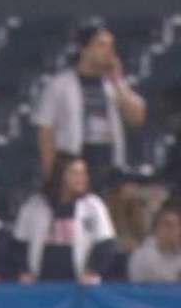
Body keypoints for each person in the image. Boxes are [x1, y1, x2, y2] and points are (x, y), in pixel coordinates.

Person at [33, 22, 146, 193]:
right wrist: (52, 173)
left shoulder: (115, 85)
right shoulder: (59, 85)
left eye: (111, 46)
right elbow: (45, 131)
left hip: (108, 159)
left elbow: (137, 117)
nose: (109, 52)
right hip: (77, 157)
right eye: (101, 45)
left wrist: (118, 82)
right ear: (84, 49)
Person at [14, 153, 115, 284]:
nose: (81, 178)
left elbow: (106, 243)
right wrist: (25, 271)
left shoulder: (93, 206)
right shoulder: (34, 205)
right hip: (40, 284)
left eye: (83, 173)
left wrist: (92, 271)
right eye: (74, 173)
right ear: (59, 175)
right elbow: (19, 244)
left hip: (81, 286)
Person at [128, 200, 181, 283]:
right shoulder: (141, 256)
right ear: (156, 229)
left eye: (177, 225)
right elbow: (137, 288)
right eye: (167, 225)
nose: (172, 230)